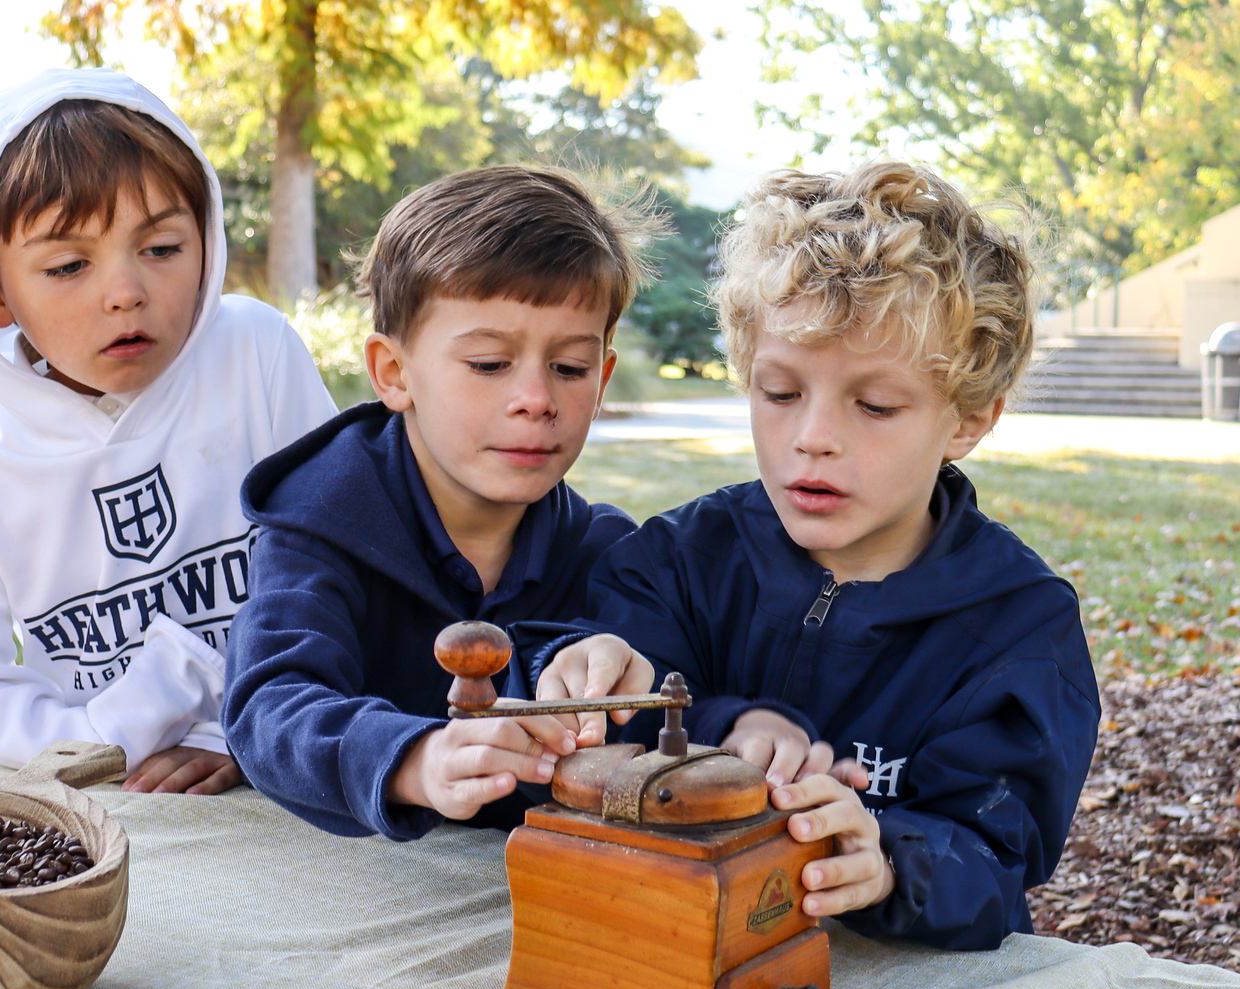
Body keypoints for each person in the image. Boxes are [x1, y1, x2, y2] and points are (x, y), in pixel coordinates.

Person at [534, 162, 1099, 949]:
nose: (814, 437)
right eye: (780, 392)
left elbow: (998, 852)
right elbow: (616, 728)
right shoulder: (673, 560)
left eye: (874, 404)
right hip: (667, 952)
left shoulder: (1018, 627)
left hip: (895, 982)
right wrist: (626, 686)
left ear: (968, 419)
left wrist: (889, 857)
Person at [0, 69, 336, 794]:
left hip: (307, 764)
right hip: (124, 809)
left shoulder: (254, 357)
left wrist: (260, 728)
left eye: (162, 249)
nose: (126, 292)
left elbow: (351, 564)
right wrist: (110, 739)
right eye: (69, 264)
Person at [221, 166, 661, 840]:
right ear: (393, 373)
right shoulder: (321, 522)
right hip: (344, 886)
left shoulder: (608, 551)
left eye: (569, 367)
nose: (536, 398)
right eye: (489, 363)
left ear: (601, 377)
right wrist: (413, 759)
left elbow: (677, 709)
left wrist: (606, 667)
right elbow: (269, 706)